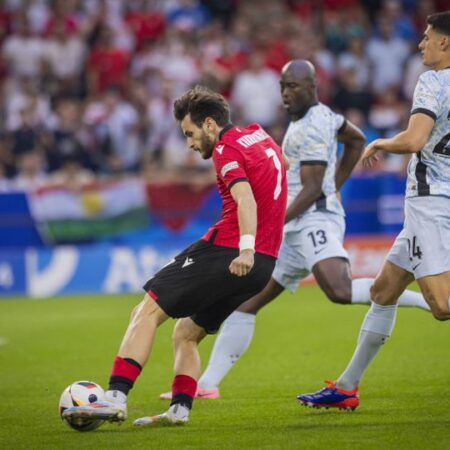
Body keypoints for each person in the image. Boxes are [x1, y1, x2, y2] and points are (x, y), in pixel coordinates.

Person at [160, 60, 431, 401]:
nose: (286, 94)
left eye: (294, 86)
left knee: (339, 290)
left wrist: (294, 209)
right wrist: (336, 185)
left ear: (313, 85)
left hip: (312, 221)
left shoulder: (311, 127)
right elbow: (356, 138)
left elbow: (313, 187)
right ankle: (208, 384)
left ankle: (428, 302)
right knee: (246, 302)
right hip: (294, 226)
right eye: (283, 87)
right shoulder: (320, 117)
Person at [62, 85, 288, 426]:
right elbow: (284, 164)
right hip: (263, 264)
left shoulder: (226, 149)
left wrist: (244, 248)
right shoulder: (259, 135)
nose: (190, 143)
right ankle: (179, 410)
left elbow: (246, 200)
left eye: (191, 133)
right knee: (186, 333)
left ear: (210, 124)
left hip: (229, 252)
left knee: (146, 310)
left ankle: (114, 398)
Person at [297, 11, 450, 411]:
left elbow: (416, 139)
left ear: (444, 43)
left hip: (429, 202)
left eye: (427, 37)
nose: (420, 44)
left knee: (442, 305)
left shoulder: (432, 81)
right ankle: (347, 387)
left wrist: (382, 143)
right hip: (442, 198)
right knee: (383, 291)